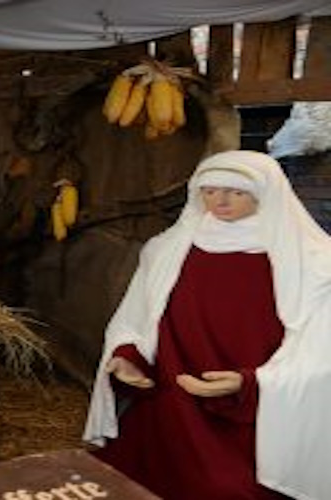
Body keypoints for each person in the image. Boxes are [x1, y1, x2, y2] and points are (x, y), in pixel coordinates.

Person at [84, 150, 331, 500]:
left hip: (257, 420)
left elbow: (321, 347)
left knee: (228, 489)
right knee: (128, 481)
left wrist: (252, 383)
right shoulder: (166, 250)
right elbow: (137, 318)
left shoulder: (314, 262)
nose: (220, 200)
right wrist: (127, 355)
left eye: (236, 191)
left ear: (265, 194)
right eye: (209, 190)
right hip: (173, 404)